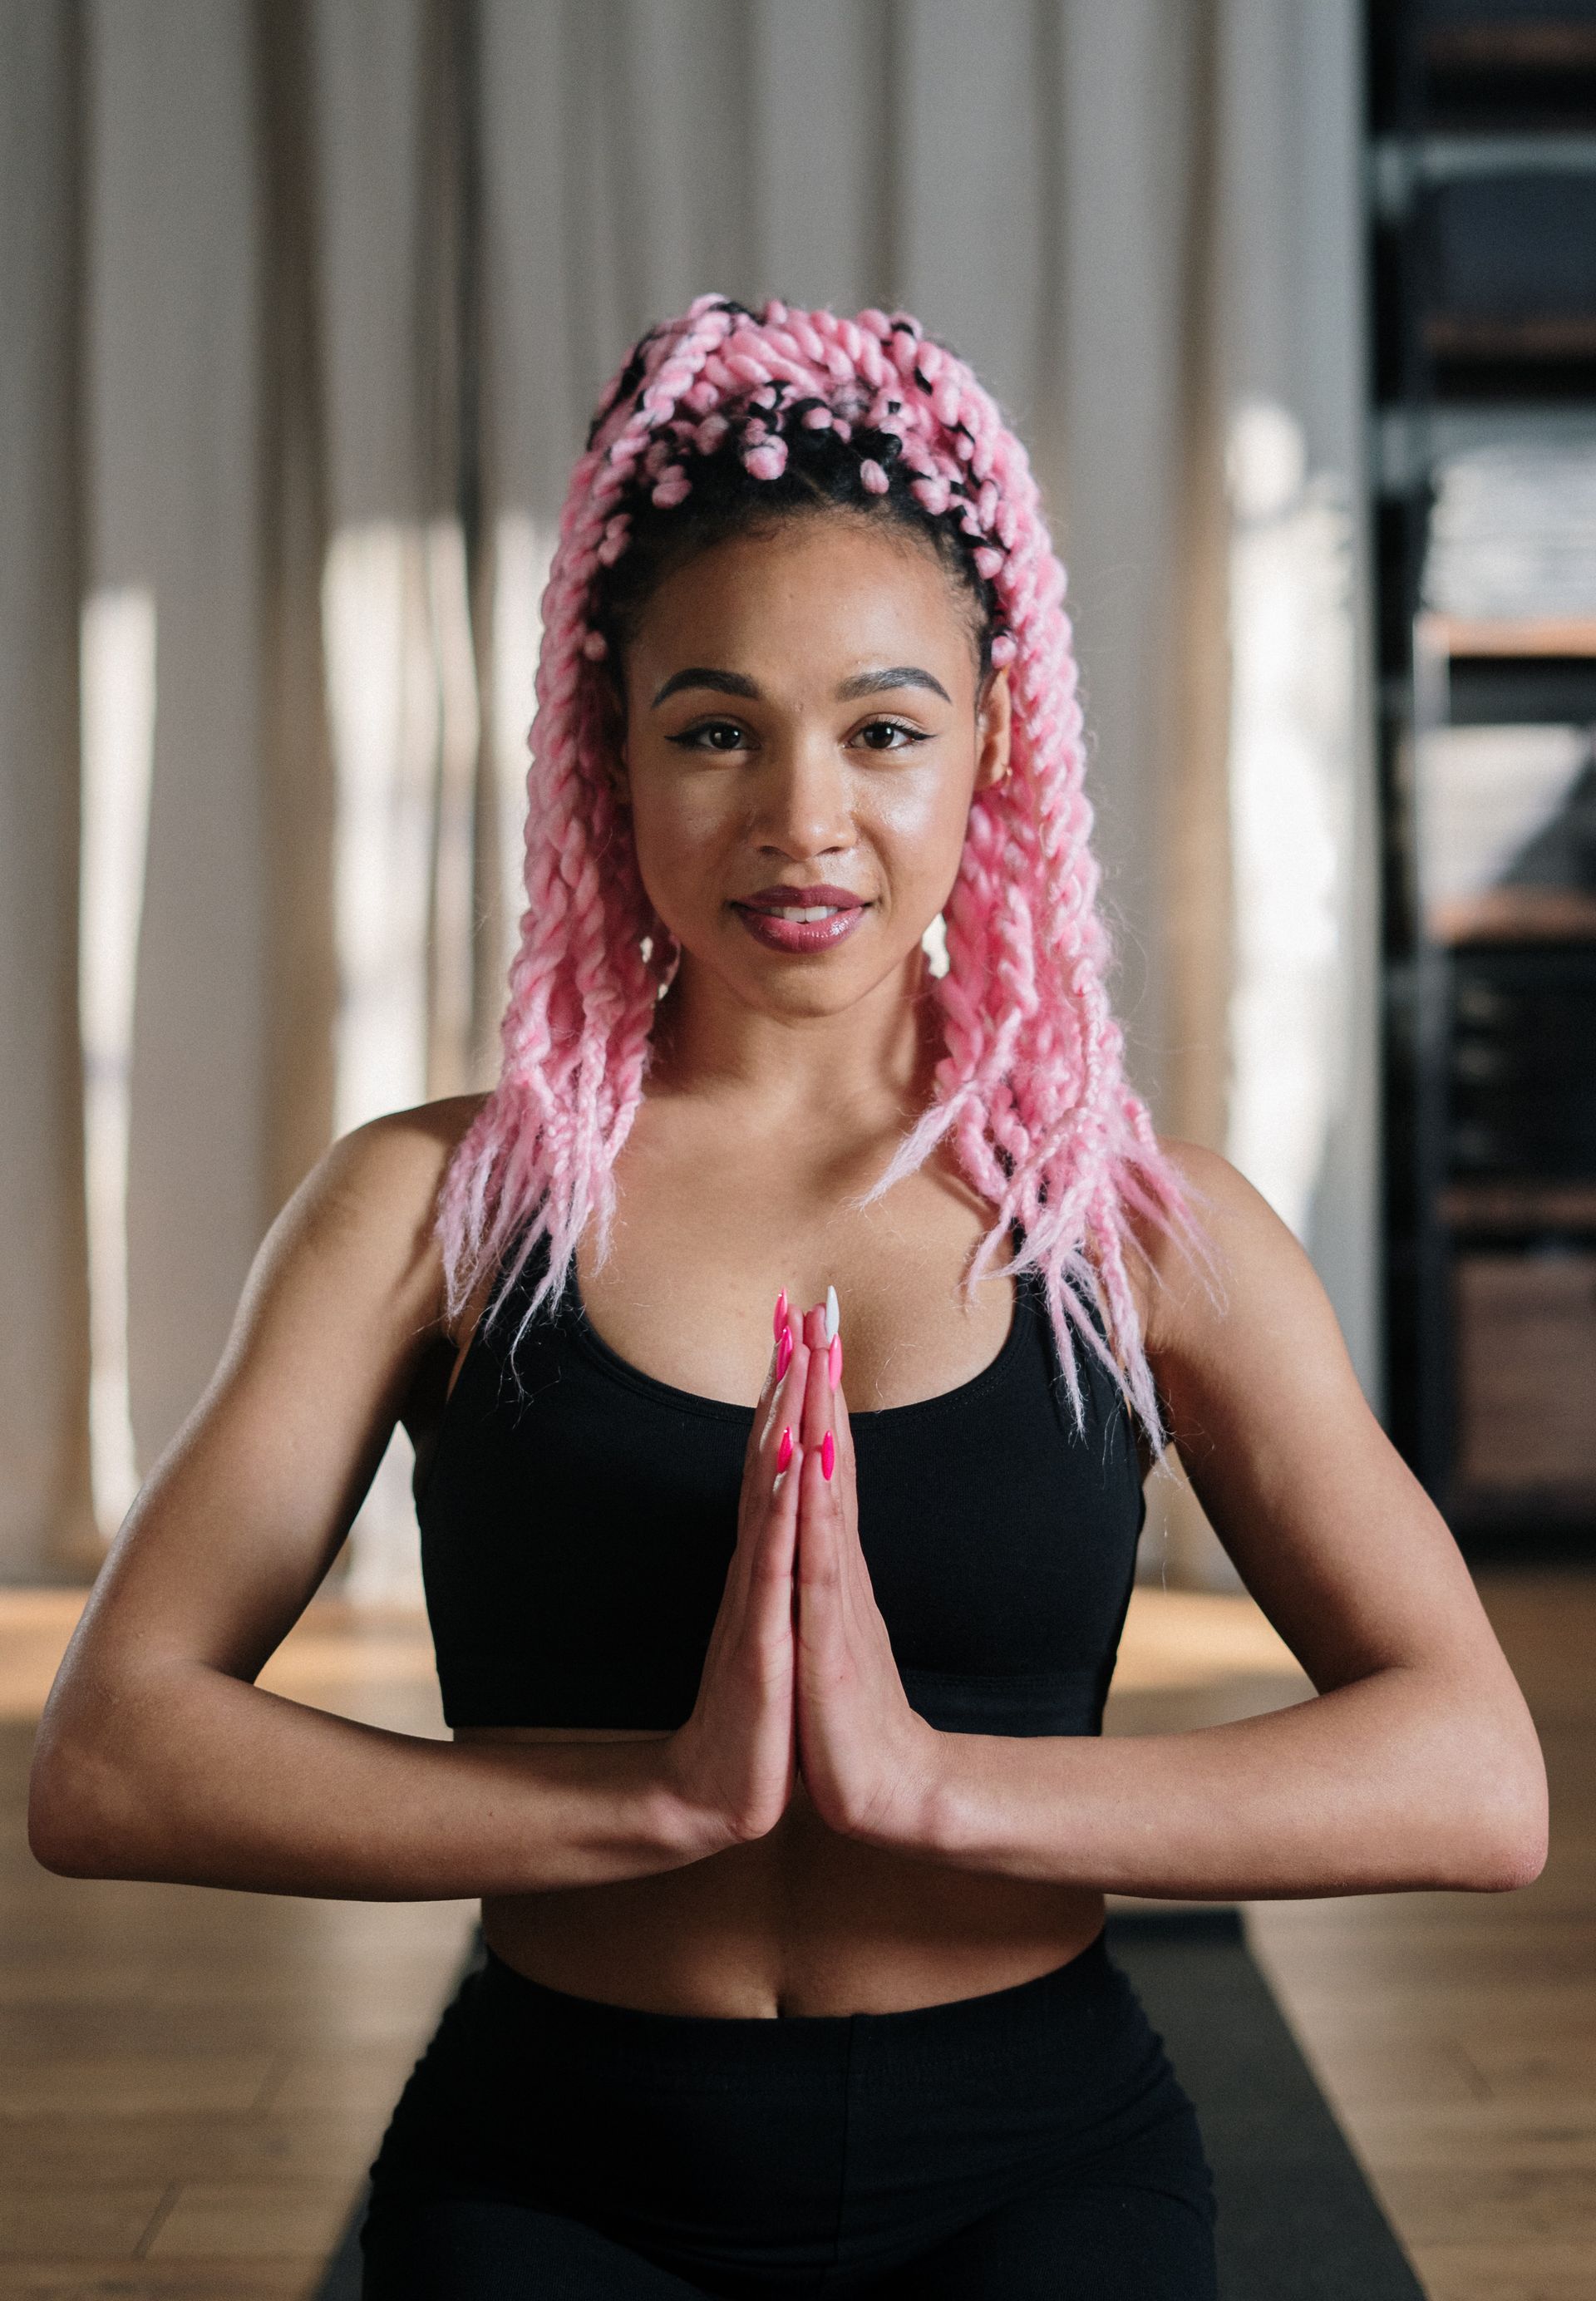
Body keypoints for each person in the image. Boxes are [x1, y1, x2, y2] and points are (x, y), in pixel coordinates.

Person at [30, 297, 1546, 2300]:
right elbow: (113, 1753)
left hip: (1037, 2163)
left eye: (886, 730)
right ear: (612, 756)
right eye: (717, 728)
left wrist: (937, 1788)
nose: (804, 820)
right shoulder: (431, 1210)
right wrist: (645, 1800)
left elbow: (1474, 1775)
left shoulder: (1135, 1225)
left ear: (993, 750)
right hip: (563, 2160)